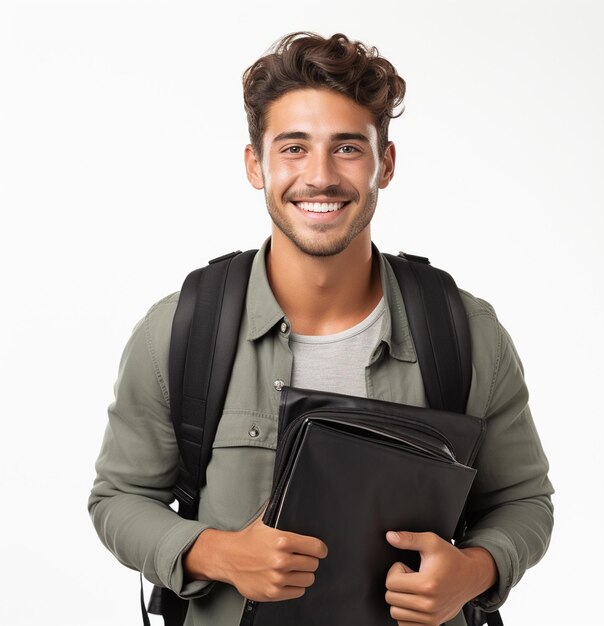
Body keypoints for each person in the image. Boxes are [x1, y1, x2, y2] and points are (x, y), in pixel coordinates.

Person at [89, 32, 554, 626]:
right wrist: (219, 554)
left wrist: (474, 571)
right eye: (293, 148)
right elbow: (119, 499)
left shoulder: (466, 332)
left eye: (347, 148)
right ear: (255, 163)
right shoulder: (180, 330)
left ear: (384, 165)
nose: (320, 176)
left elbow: (524, 502)